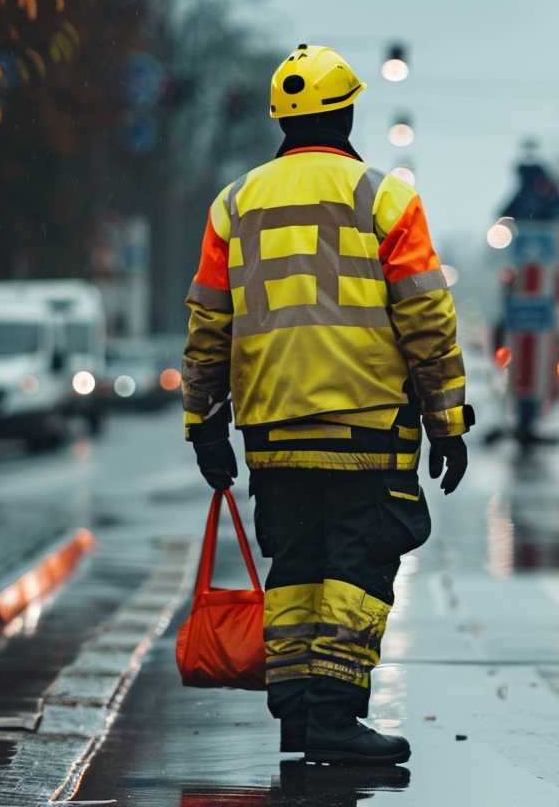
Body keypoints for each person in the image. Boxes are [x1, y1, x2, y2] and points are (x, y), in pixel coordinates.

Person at [179, 44, 472, 766]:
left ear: (282, 117)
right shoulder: (385, 198)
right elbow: (426, 317)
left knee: (298, 569)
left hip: (272, 428)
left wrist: (201, 422)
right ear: (346, 111)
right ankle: (336, 717)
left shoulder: (235, 203)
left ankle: (299, 718)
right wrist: (447, 420)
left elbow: (209, 322)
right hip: (366, 425)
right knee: (357, 566)